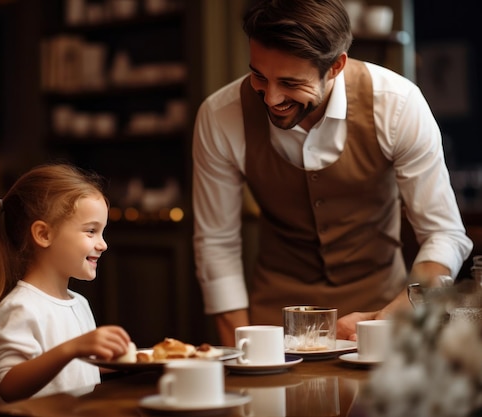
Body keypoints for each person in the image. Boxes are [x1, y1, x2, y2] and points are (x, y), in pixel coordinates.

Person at [192, 0, 473, 347]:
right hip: (273, 321)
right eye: (259, 76)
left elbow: (443, 233)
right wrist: (241, 350)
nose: (271, 98)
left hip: (381, 310)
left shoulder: (397, 104)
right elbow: (217, 243)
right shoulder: (220, 115)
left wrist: (399, 312)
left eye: (291, 82)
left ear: (336, 66)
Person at [0, 163, 131, 414]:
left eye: (102, 232)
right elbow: (8, 385)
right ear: (43, 234)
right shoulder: (19, 308)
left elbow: (69, 372)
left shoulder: (79, 303)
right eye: (91, 231)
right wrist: (74, 348)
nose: (103, 244)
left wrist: (117, 361)